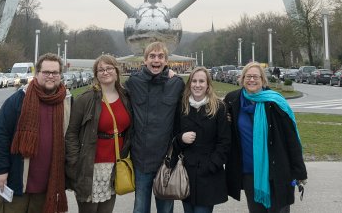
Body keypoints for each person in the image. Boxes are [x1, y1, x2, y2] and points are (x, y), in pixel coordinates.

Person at [0, 53, 72, 213]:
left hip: (47, 186)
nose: (50, 76)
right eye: (46, 72)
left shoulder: (67, 101)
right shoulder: (18, 100)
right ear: (37, 73)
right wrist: (0, 170)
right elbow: (1, 135)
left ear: (60, 75)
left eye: (55, 72)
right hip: (16, 181)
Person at [224, 62, 307, 213]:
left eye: (256, 77)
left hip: (276, 171)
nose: (252, 80)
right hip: (249, 173)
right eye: (248, 76)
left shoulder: (275, 103)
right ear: (242, 79)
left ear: (263, 80)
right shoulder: (233, 100)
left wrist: (299, 171)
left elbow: (291, 139)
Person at [67, 55, 132, 213]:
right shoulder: (86, 99)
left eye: (109, 68)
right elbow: (71, 134)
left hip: (114, 165)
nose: (105, 72)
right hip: (91, 166)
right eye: (100, 70)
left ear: (116, 71)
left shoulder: (125, 97)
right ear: (96, 74)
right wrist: (75, 162)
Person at [125, 41, 185, 213]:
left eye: (160, 56)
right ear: (145, 60)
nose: (156, 60)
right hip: (141, 159)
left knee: (165, 209)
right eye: (152, 56)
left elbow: (186, 113)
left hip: (166, 159)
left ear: (166, 61)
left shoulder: (176, 84)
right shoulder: (133, 82)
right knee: (140, 208)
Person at [175, 66, 230, 213]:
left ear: (208, 85)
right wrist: (181, 138)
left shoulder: (219, 107)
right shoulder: (182, 106)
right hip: (187, 173)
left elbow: (225, 142)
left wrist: (212, 165)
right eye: (194, 81)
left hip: (208, 174)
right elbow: (173, 136)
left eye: (201, 81)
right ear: (189, 84)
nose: (197, 85)